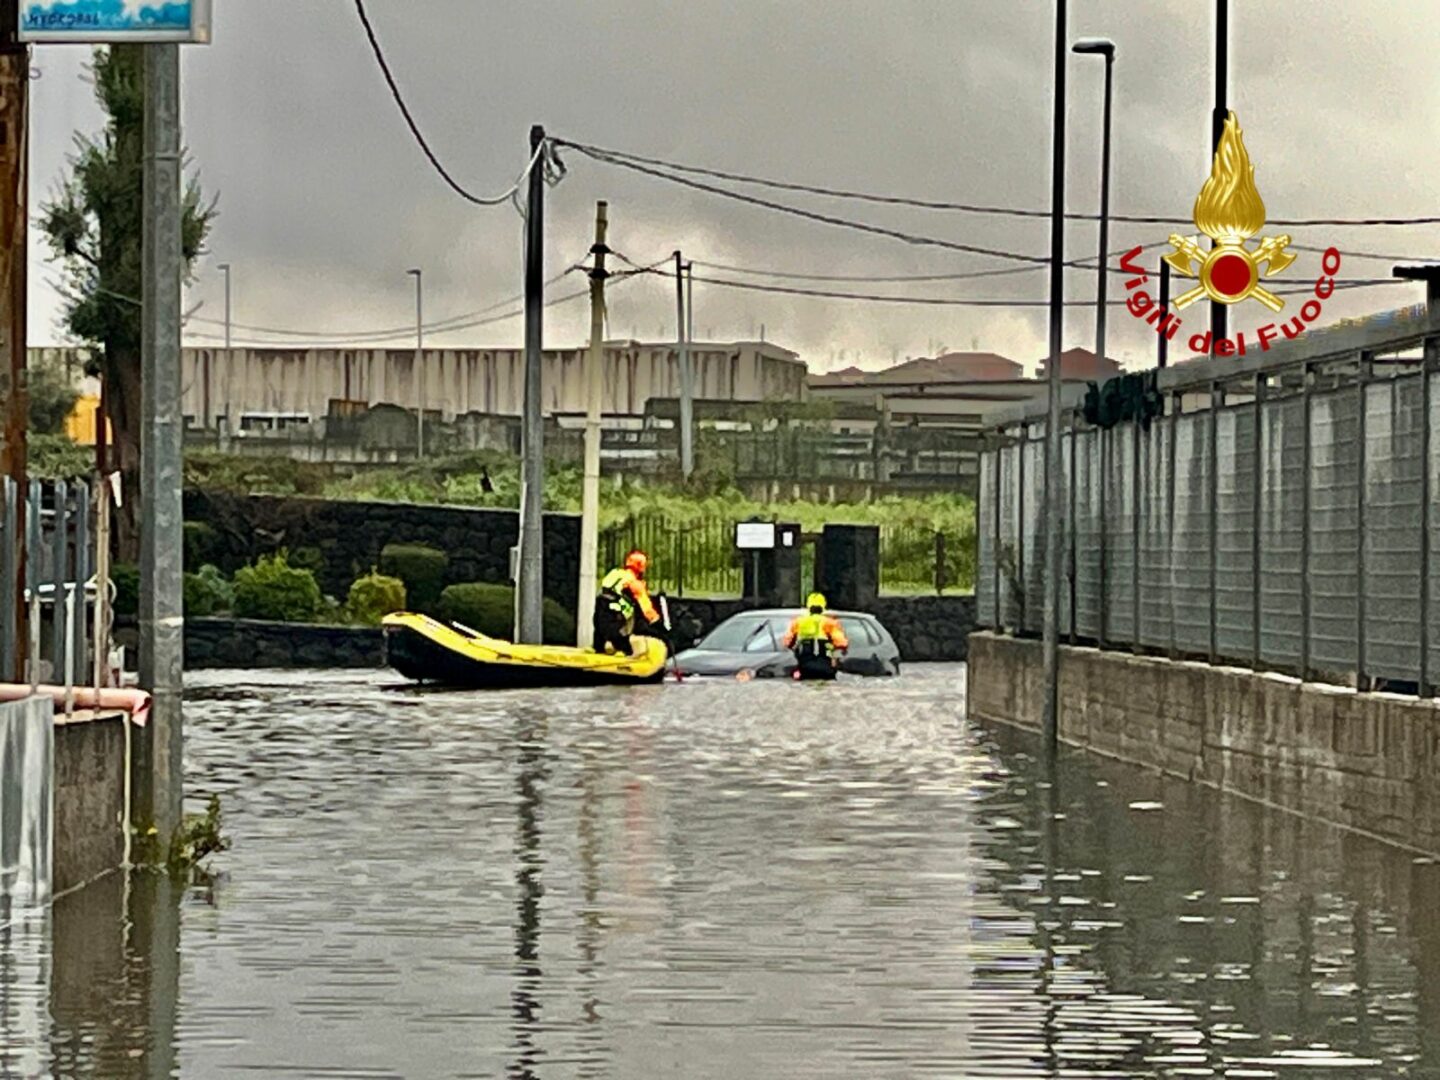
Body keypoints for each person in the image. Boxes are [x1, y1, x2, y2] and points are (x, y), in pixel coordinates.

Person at [594, 549, 660, 655]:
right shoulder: (634, 583)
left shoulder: (614, 574)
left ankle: (598, 649)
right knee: (623, 640)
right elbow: (646, 608)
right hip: (618, 616)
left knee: (601, 637)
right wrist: (656, 621)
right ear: (641, 567)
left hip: (601, 610)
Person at [782, 592, 849, 680]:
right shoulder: (830, 623)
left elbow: (787, 643)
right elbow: (841, 643)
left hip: (803, 664)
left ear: (808, 607)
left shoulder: (798, 622)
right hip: (825, 663)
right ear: (823, 606)